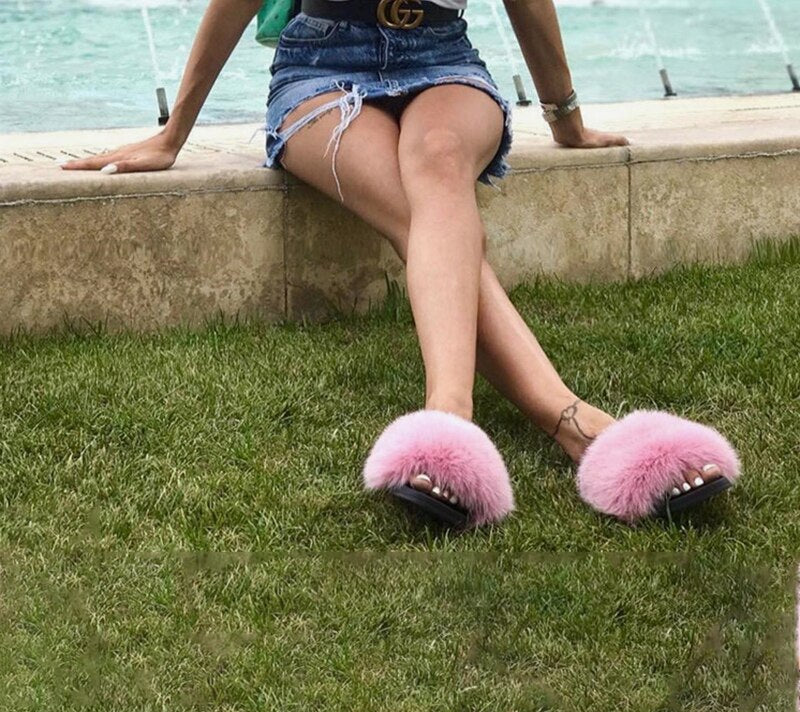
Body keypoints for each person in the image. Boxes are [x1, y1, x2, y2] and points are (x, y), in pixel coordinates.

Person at [62, 0, 741, 527]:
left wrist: (566, 119)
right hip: (322, 66)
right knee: (422, 217)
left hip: (443, 58)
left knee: (439, 164)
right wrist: (174, 132)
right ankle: (569, 423)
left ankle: (450, 428)